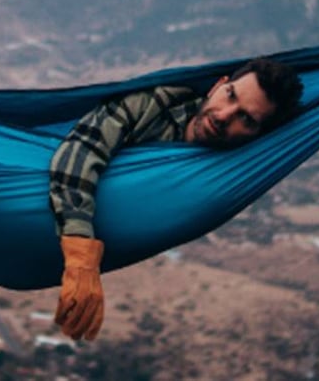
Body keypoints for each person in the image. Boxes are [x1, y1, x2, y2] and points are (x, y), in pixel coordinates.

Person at [48, 58, 303, 341]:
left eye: (246, 118)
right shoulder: (153, 104)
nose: (223, 116)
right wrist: (81, 260)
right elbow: (83, 149)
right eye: (230, 95)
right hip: (39, 182)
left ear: (258, 137)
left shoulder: (231, 174)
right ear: (218, 85)